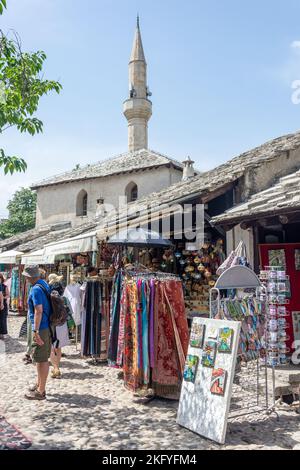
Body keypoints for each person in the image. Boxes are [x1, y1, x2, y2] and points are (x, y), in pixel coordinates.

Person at [22, 265, 52, 400]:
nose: (25, 279)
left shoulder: (35, 290)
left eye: (26, 276)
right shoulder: (44, 284)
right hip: (47, 326)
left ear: (29, 277)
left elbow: (38, 310)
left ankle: (41, 391)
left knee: (41, 359)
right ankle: (39, 383)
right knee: (41, 357)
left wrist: (36, 330)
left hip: (42, 327)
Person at [48, 273, 70, 379]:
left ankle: (56, 368)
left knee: (52, 347)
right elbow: (68, 309)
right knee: (58, 347)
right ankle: (57, 367)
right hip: (61, 323)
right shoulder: (62, 292)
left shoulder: (48, 292)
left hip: (52, 323)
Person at [0, 273, 9, 340]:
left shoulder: (4, 286)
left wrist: (3, 297)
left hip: (3, 305)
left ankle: (3, 333)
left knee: (3, 319)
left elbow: (8, 295)